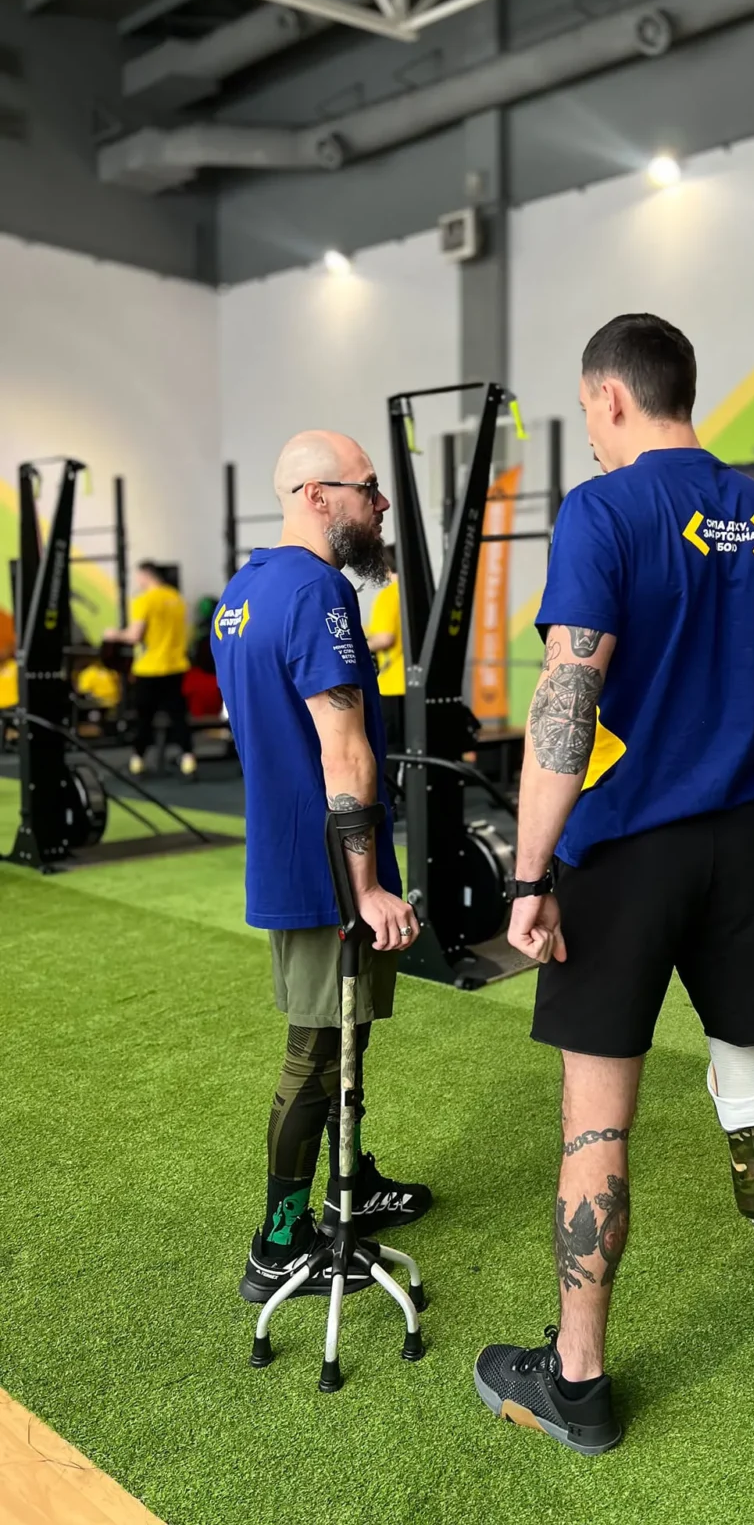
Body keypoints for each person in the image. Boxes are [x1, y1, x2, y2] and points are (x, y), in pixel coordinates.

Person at [472, 314, 754, 1454]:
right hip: (738, 848)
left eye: (588, 410)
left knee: (597, 1119)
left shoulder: (603, 510)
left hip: (622, 857)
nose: (591, 430)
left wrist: (528, 874)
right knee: (750, 1085)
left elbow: (565, 703)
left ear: (613, 398)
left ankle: (579, 1379)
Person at [211, 429, 430, 1303]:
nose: (380, 504)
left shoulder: (243, 591)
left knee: (345, 1032)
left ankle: (350, 1184)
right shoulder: (317, 591)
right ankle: (277, 1242)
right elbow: (344, 753)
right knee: (315, 1048)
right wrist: (366, 885)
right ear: (315, 495)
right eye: (367, 488)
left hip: (293, 850)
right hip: (326, 868)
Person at [105, 562, 196, 778]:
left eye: (139, 576)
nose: (138, 581)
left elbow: (135, 635)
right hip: (176, 666)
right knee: (178, 716)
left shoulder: (144, 600)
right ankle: (188, 760)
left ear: (146, 575)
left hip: (149, 668)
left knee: (144, 718)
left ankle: (138, 761)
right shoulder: (177, 598)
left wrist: (113, 635)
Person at [365, 544, 406, 750]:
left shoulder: (389, 596)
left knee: (392, 749)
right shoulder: (419, 594)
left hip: (392, 684)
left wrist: (360, 645)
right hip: (420, 686)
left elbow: (385, 638)